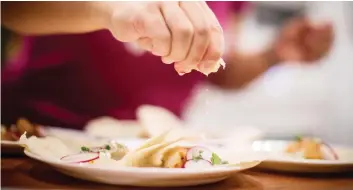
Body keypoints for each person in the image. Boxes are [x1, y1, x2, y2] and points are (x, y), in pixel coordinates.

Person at [1, 1, 332, 129]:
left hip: (148, 156)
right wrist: (110, 9)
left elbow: (218, 68)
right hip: (37, 137)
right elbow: (11, 10)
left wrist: (273, 54)